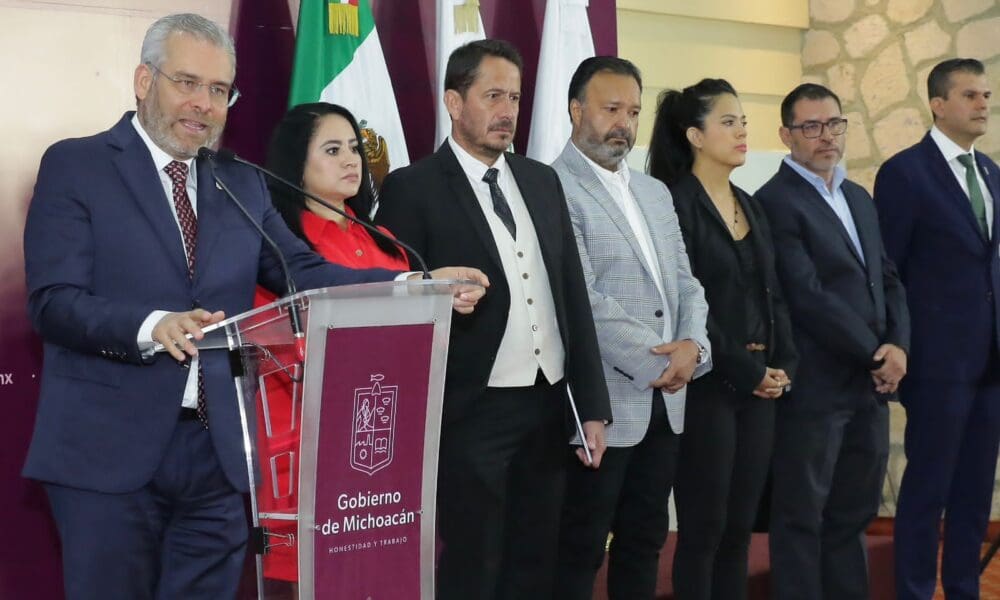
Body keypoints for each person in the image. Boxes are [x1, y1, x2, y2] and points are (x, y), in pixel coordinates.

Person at [20, 14, 485, 600]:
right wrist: (152, 326)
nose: (204, 103)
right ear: (144, 80)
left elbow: (303, 274)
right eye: (187, 82)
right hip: (106, 451)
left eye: (219, 90)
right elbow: (54, 302)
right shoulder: (78, 165)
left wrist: (417, 284)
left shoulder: (238, 181)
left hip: (216, 454)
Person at [375, 40, 612, 599]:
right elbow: (395, 304)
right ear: (455, 102)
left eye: (516, 98)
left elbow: (571, 296)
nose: (508, 111)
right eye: (493, 97)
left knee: (535, 557)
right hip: (469, 409)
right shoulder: (413, 187)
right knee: (473, 560)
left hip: (547, 403)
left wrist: (591, 405)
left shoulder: (541, 180)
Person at [549, 57, 712, 599]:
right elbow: (582, 299)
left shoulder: (654, 192)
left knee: (645, 543)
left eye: (634, 112)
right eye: (612, 109)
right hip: (602, 403)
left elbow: (687, 284)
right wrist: (662, 360)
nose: (624, 123)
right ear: (576, 110)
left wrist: (694, 349)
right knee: (579, 550)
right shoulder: (552, 186)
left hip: (666, 402)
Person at [754, 83, 909, 600]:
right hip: (816, 389)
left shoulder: (857, 196)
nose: (827, 136)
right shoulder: (774, 201)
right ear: (786, 135)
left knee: (852, 516)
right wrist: (874, 354)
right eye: (812, 127)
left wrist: (899, 347)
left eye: (835, 124)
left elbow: (887, 278)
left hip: (869, 389)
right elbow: (807, 295)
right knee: (801, 518)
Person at [647, 78, 798, 600]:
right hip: (709, 384)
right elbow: (690, 305)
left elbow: (774, 293)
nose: (741, 132)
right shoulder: (674, 204)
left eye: (744, 122)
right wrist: (746, 369)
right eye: (728, 122)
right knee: (704, 531)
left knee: (740, 530)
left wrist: (782, 364)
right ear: (694, 135)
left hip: (760, 387)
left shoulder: (750, 204)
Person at [252, 102, 410, 584]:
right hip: (310, 435)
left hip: (388, 432)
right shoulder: (281, 247)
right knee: (318, 575)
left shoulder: (384, 239)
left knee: (380, 572)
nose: (351, 161)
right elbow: (274, 338)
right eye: (333, 149)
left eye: (355, 149)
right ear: (297, 163)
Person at [874, 58, 1000, 600]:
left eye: (986, 95)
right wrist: (897, 346)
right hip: (935, 365)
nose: (983, 105)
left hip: (990, 363)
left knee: (975, 493)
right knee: (928, 491)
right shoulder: (905, 173)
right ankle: (915, 591)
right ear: (938, 104)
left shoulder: (990, 171)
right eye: (970, 95)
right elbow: (889, 272)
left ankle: (965, 590)